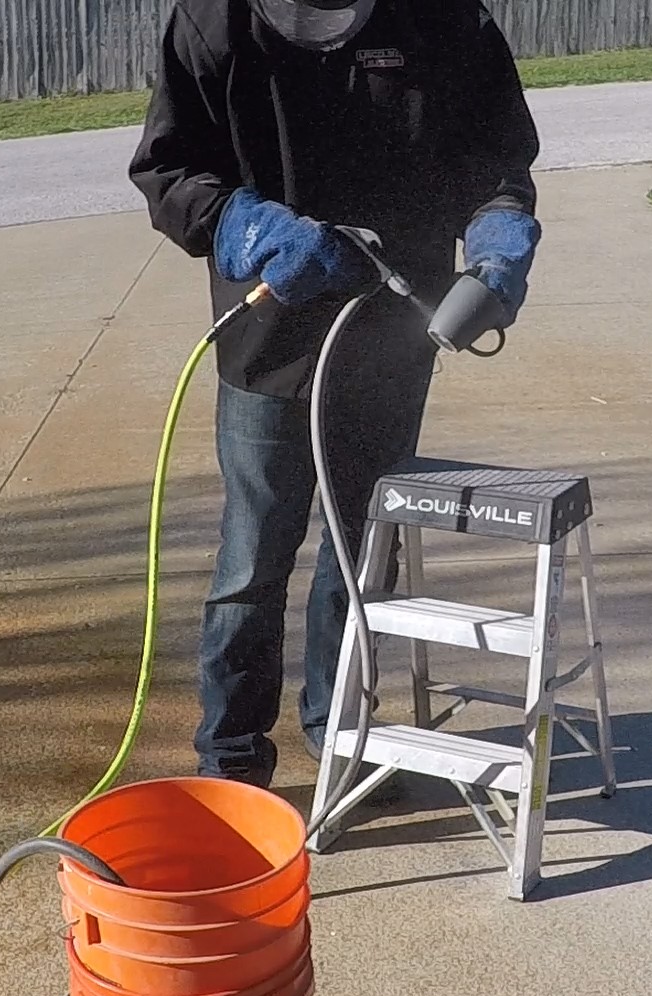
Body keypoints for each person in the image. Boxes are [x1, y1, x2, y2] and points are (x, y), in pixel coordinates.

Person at [129, 0, 541, 788]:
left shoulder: (446, 19)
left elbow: (496, 163)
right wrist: (249, 226)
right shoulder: (217, 22)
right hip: (268, 342)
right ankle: (233, 758)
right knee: (253, 557)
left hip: (394, 337)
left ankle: (338, 729)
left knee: (358, 555)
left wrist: (497, 237)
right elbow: (170, 169)